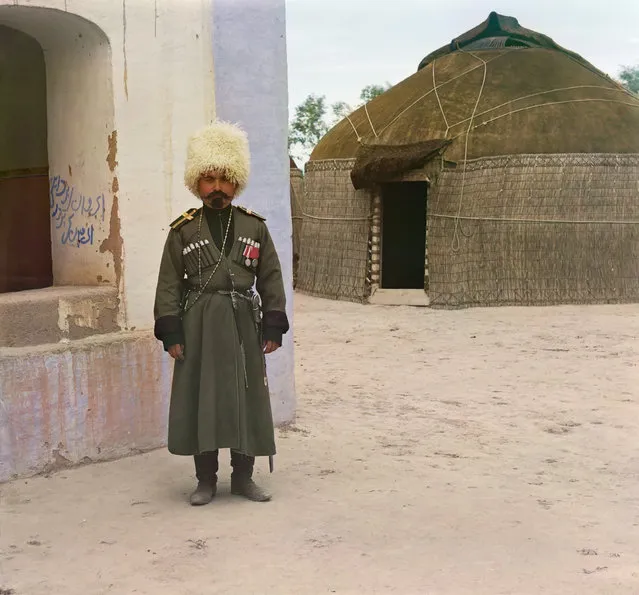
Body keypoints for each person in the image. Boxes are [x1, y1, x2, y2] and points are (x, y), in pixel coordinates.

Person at [153, 120, 289, 505]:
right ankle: (206, 481)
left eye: (224, 179)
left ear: (236, 181)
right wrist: (173, 334)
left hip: (245, 322)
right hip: (198, 324)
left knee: (247, 396)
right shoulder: (182, 230)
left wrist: (273, 326)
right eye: (209, 179)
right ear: (197, 183)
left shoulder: (254, 227)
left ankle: (244, 479)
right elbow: (168, 285)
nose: (217, 187)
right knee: (203, 397)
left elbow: (271, 278)